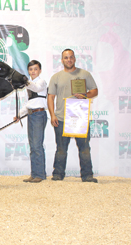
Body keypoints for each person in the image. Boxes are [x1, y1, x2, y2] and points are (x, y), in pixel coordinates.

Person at [47, 48, 98, 182]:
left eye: (71, 57)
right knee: (61, 149)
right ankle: (58, 174)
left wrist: (85, 95)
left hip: (80, 117)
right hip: (62, 118)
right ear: (62, 60)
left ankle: (87, 176)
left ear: (75, 59)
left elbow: (95, 91)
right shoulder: (56, 77)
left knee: (85, 148)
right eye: (66, 57)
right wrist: (52, 115)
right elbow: (50, 97)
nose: (69, 60)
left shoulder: (85, 74)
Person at [14, 60, 48, 183]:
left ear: (40, 70)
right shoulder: (29, 85)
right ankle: (34, 174)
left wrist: (25, 81)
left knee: (37, 145)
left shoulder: (41, 82)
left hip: (39, 114)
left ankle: (40, 174)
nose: (33, 71)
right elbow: (28, 103)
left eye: (35, 69)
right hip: (31, 115)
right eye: (31, 69)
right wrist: (19, 115)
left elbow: (37, 88)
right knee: (33, 146)